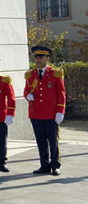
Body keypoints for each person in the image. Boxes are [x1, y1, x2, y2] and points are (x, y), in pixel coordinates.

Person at [24, 45, 65, 175]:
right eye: (36, 57)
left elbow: (61, 94)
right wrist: (27, 95)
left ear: (47, 58)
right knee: (40, 141)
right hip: (36, 113)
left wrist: (60, 111)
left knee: (53, 140)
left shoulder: (55, 73)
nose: (38, 60)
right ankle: (44, 165)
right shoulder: (30, 75)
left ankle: (55, 165)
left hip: (51, 113)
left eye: (41, 57)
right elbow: (26, 90)